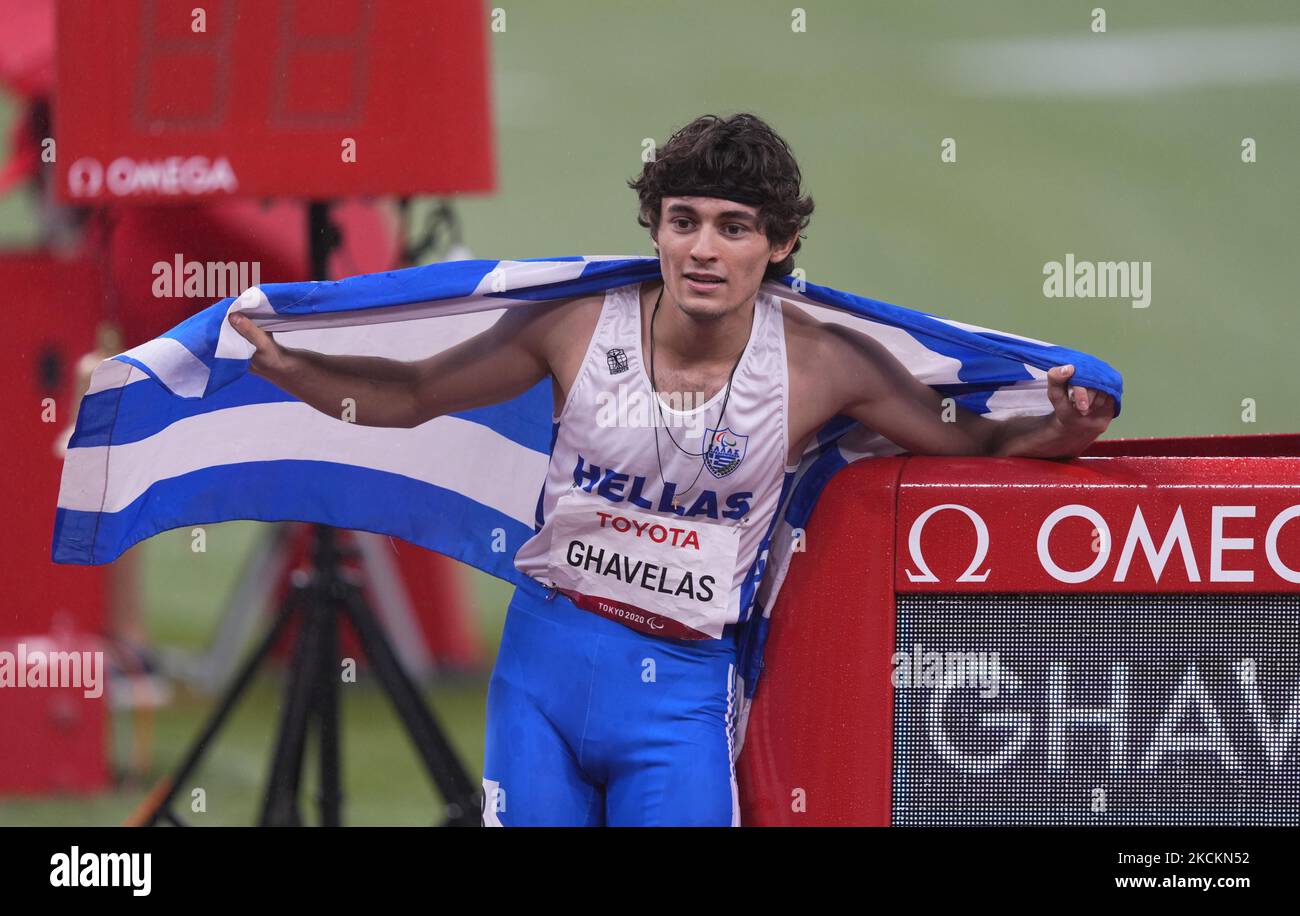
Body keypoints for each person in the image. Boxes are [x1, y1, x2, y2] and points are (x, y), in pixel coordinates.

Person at [229, 112, 1114, 826]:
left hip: (679, 691)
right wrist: (286, 368)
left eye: (733, 228)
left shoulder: (820, 364)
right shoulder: (578, 324)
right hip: (544, 665)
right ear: (653, 227)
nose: (702, 249)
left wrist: (1064, 429)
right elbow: (417, 392)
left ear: (781, 243)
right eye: (683, 221)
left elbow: (973, 447)